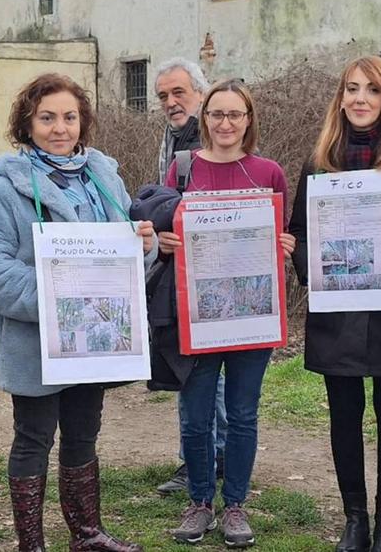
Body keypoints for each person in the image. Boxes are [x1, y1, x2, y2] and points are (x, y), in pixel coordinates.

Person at [0, 73, 154, 552]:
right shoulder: (7, 186)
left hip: (95, 340)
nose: (60, 128)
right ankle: (33, 545)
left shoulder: (103, 178)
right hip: (37, 343)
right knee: (33, 439)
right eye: (47, 118)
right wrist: (53, 297)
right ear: (28, 123)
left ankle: (86, 535)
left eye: (69, 117)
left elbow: (123, 245)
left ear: (82, 121)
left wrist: (144, 246)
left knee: (84, 436)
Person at [288, 56, 381, 552]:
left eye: (371, 90)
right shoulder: (319, 159)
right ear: (340, 97)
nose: (359, 99)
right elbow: (302, 232)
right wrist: (316, 268)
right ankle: (355, 517)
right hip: (338, 310)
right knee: (343, 414)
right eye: (351, 89)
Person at [159, 79, 296, 548]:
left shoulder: (269, 173)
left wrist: (284, 245)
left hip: (252, 316)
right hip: (197, 317)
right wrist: (162, 243)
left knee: (241, 414)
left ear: (248, 120)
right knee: (196, 417)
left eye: (235, 114)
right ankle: (199, 501)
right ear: (205, 118)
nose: (225, 123)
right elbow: (163, 234)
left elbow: (283, 237)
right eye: (217, 114)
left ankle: (234, 504)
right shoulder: (181, 169)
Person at [150, 57, 230, 497]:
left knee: (204, 371)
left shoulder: (209, 135)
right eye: (163, 95)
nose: (170, 101)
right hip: (186, 269)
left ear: (201, 93)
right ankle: (205, 456)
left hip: (213, 273)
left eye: (179, 92)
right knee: (199, 369)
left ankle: (205, 460)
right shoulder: (176, 138)